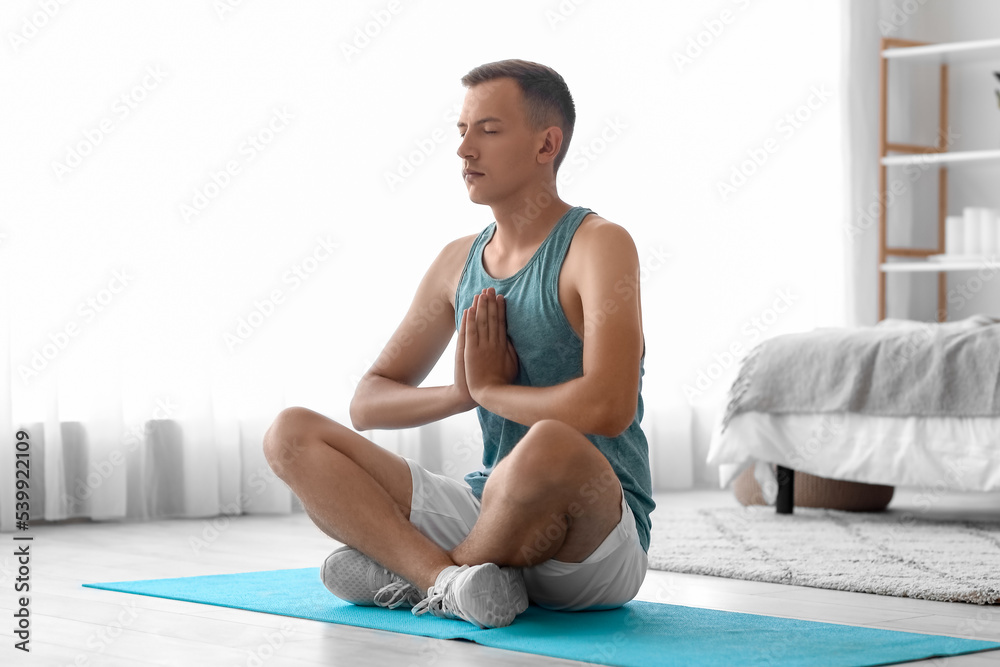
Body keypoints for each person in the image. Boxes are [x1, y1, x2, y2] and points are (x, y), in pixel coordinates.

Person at [263, 58, 655, 630]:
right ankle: (451, 583)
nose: (464, 150)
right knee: (290, 433)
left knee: (549, 444)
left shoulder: (599, 245)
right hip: (494, 515)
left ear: (547, 144)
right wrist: (463, 393)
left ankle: (413, 572)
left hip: (593, 542)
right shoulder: (457, 261)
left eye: (489, 130)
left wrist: (494, 390)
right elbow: (369, 403)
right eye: (462, 130)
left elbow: (608, 407)